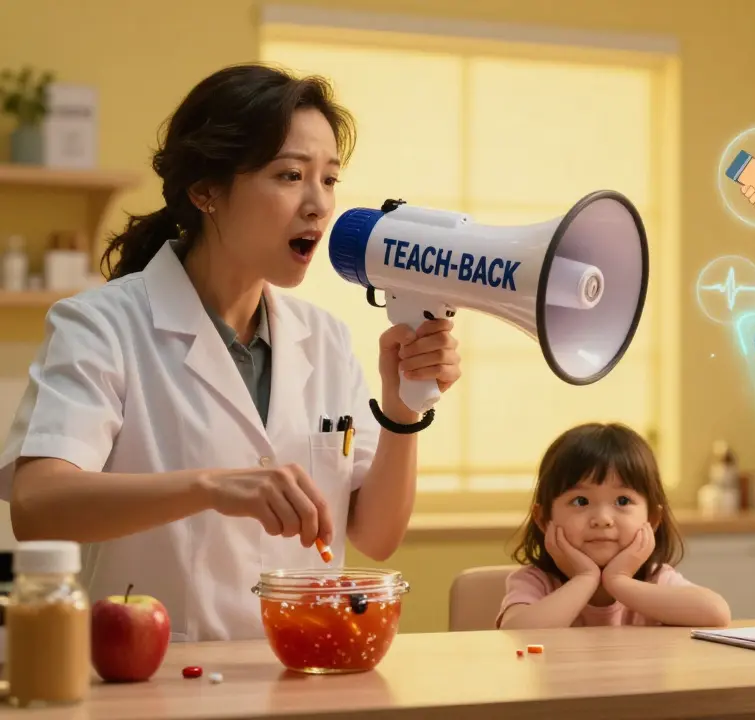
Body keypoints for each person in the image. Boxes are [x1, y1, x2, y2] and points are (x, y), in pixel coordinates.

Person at [0, 64, 462, 642]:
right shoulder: (101, 324)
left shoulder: (326, 338)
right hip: (156, 675)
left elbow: (375, 535)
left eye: (329, 179)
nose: (319, 205)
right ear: (205, 191)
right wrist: (211, 488)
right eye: (290, 175)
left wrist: (402, 409)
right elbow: (38, 505)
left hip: (302, 665)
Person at [498, 423, 730, 629]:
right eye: (580, 501)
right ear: (543, 519)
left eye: (623, 501)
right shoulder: (537, 582)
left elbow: (716, 613)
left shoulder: (655, 578)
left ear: (651, 519)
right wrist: (585, 578)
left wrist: (619, 581)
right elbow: (515, 633)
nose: (602, 519)